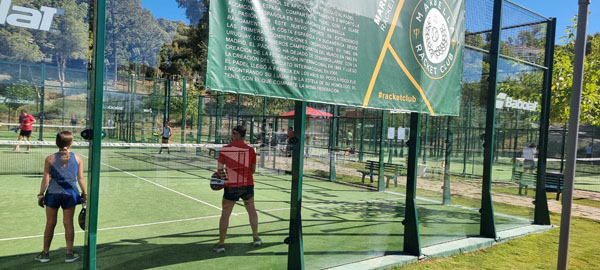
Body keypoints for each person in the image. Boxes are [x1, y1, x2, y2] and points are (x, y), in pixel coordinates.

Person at [36, 131, 86, 263]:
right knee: (68, 223)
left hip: (53, 194)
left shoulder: (50, 158)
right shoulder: (78, 158)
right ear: (71, 143)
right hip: (71, 194)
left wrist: (41, 195)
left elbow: (45, 180)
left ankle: (45, 254)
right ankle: (69, 254)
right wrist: (84, 194)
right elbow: (80, 178)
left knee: (50, 224)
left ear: (57, 143)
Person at [214, 125, 260, 253]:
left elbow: (219, 170)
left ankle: (221, 244)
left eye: (233, 133)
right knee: (252, 211)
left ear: (235, 134)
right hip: (248, 185)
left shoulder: (225, 149)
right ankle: (256, 238)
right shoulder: (251, 150)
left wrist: (224, 179)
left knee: (225, 215)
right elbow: (253, 170)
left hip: (232, 186)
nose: (231, 135)